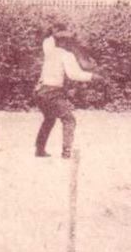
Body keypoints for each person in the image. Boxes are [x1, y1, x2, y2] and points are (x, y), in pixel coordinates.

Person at [33, 31, 94, 159]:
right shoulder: (66, 55)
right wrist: (92, 77)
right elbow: (74, 75)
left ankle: (39, 149)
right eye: (70, 42)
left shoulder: (49, 51)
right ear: (66, 42)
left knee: (49, 119)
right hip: (52, 92)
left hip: (39, 91)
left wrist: (52, 32)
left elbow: (46, 40)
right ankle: (66, 152)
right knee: (69, 120)